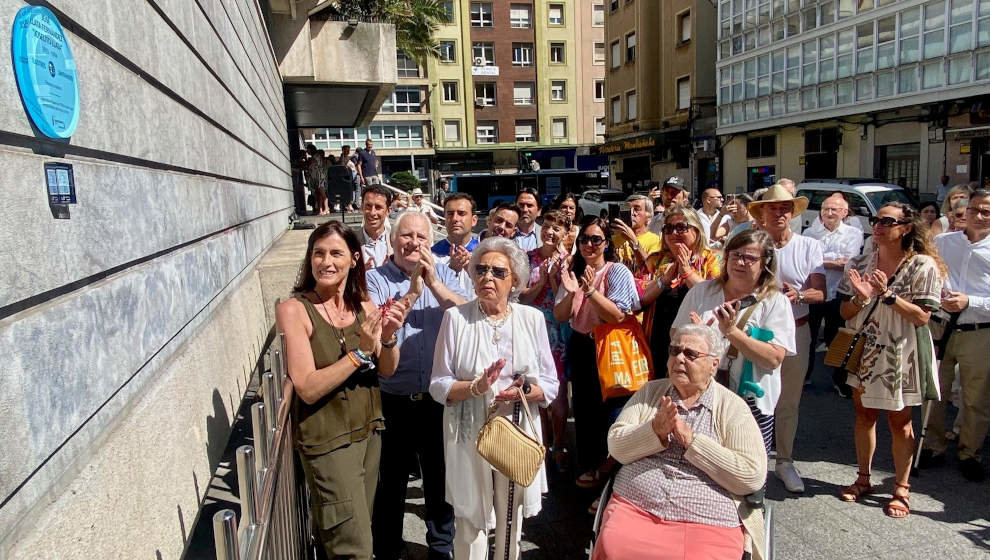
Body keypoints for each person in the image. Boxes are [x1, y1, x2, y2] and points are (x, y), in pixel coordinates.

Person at [276, 221, 407, 558]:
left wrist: (389, 336)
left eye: (336, 253)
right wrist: (359, 354)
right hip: (328, 442)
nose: (326, 261)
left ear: (355, 259)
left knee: (357, 534)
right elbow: (306, 386)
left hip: (369, 435)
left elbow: (389, 369)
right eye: (318, 253)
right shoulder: (294, 310)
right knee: (354, 549)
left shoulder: (363, 306)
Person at [430, 237, 560, 560]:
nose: (487, 277)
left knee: (510, 521)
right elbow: (438, 384)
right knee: (469, 522)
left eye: (498, 272)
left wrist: (523, 391)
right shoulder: (456, 319)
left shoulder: (532, 320)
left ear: (514, 279)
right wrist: (474, 387)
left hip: (515, 430)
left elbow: (550, 385)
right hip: (468, 430)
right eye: (481, 270)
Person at [592, 324, 769, 560]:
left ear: (714, 365)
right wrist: (654, 431)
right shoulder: (651, 392)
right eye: (675, 351)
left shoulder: (732, 408)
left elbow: (751, 475)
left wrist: (693, 443)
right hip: (636, 507)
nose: (680, 359)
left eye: (691, 354)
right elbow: (616, 445)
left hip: (706, 522)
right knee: (614, 547)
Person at [367, 212, 469, 560]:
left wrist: (435, 284)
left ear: (430, 240)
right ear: (393, 241)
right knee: (391, 484)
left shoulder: (448, 272)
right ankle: (388, 550)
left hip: (439, 401)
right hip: (392, 398)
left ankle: (442, 551)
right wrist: (412, 291)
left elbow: (470, 314)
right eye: (406, 236)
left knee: (441, 483)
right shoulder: (374, 280)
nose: (413, 242)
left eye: (421, 237)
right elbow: (380, 325)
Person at [836, 202, 945, 517]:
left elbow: (923, 317)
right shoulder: (860, 261)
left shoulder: (922, 266)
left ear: (906, 227)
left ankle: (901, 487)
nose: (879, 226)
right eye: (876, 220)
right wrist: (860, 296)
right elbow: (844, 312)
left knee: (900, 422)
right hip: (865, 348)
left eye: (887, 221)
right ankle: (863, 478)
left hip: (900, 351)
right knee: (864, 415)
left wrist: (887, 295)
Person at [671, 229, 796, 454]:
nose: (740, 262)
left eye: (750, 258)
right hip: (700, 396)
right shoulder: (703, 291)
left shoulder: (775, 302)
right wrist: (698, 336)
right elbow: (675, 335)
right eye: (735, 255)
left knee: (747, 472)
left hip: (751, 401)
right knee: (698, 462)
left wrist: (730, 332)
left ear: (765, 263)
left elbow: (774, 358)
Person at [552, 217, 640, 499]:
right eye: (584, 239)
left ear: (606, 243)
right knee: (586, 413)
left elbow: (617, 314)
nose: (589, 244)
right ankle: (590, 469)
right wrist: (571, 291)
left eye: (596, 239)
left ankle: (611, 477)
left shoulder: (617, 272)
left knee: (612, 414)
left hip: (609, 347)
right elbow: (561, 315)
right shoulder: (574, 272)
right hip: (581, 346)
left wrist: (590, 292)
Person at [748, 185, 825, 493]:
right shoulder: (752, 245)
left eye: (785, 208)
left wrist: (800, 294)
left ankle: (784, 461)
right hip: (757, 334)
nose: (779, 213)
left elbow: (821, 292)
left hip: (797, 330)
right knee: (752, 397)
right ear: (762, 213)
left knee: (788, 401)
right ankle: (752, 461)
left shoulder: (809, 246)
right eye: (773, 208)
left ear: (793, 214)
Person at [922, 190, 990, 482]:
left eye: (986, 211)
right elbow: (929, 275)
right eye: (975, 209)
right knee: (934, 390)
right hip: (940, 325)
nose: (979, 215)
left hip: (979, 331)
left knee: (976, 397)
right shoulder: (944, 242)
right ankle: (933, 446)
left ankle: (969, 452)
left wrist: (969, 302)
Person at [519, 211, 573, 471]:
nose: (550, 232)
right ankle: (542, 441)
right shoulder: (528, 259)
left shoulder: (570, 261)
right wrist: (543, 280)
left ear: (565, 234)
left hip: (559, 334)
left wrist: (554, 278)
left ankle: (559, 443)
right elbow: (523, 298)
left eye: (557, 229)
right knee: (534, 389)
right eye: (548, 226)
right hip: (531, 330)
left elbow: (570, 298)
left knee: (559, 392)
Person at [642, 206, 723, 377]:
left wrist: (687, 272)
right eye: (668, 229)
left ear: (696, 230)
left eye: (681, 227)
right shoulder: (656, 260)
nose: (674, 233)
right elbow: (640, 297)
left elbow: (715, 295)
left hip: (695, 343)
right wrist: (662, 281)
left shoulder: (712, 259)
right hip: (658, 337)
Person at [803, 193, 864, 392]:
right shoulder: (810, 234)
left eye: (834, 209)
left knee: (838, 339)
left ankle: (840, 381)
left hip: (840, 293)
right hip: (815, 292)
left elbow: (849, 263)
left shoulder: (853, 233)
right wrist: (833, 262)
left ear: (844, 213)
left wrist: (821, 262)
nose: (829, 213)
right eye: (825, 209)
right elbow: (808, 263)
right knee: (808, 338)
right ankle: (804, 378)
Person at [611, 194, 662, 305]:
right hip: (615, 301)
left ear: (649, 216)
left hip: (640, 302)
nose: (632, 213)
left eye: (637, 209)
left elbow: (652, 270)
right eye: (628, 209)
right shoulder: (613, 240)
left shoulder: (656, 241)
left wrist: (634, 242)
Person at [432, 193, 480, 295]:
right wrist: (451, 270)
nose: (455, 218)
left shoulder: (484, 254)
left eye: (461, 213)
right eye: (450, 214)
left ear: (474, 220)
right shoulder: (432, 255)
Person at [359, 185, 393, 269]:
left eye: (378, 207)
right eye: (368, 206)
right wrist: (360, 274)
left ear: (388, 211)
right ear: (362, 207)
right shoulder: (349, 241)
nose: (372, 212)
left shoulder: (397, 241)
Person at [305, 143, 329, 216]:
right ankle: (320, 209)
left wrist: (306, 163)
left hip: (319, 177)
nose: (307, 151)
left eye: (308, 150)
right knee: (318, 194)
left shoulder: (315, 156)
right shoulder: (316, 156)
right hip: (316, 177)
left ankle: (326, 208)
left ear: (311, 149)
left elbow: (309, 166)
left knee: (322, 193)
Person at [340, 145, 359, 211]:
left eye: (349, 149)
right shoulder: (343, 157)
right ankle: (348, 205)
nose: (348, 151)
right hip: (348, 175)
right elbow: (342, 165)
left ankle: (350, 204)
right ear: (343, 150)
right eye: (347, 150)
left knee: (353, 190)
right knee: (349, 190)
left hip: (352, 174)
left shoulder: (347, 157)